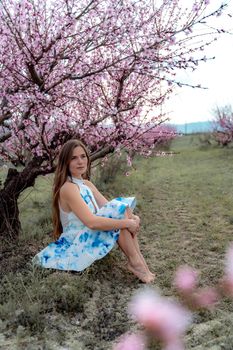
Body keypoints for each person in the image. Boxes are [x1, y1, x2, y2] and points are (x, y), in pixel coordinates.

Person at [33, 139, 154, 283]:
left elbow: (110, 207)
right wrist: (127, 222)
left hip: (89, 237)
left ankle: (139, 262)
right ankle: (136, 263)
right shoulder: (68, 188)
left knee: (121, 207)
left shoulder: (87, 184)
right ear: (66, 162)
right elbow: (91, 223)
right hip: (76, 244)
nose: (80, 161)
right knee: (120, 213)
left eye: (83, 156)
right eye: (74, 158)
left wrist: (133, 218)